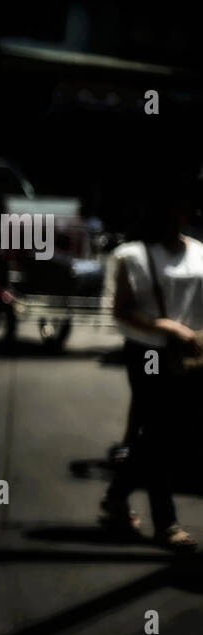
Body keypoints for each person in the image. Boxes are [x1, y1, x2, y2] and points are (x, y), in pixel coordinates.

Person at [100, 173, 203, 549]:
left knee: (167, 435)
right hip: (149, 354)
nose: (183, 215)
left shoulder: (200, 253)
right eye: (175, 209)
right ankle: (166, 523)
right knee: (160, 433)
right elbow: (121, 311)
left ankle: (115, 498)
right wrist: (165, 327)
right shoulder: (132, 255)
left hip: (192, 356)